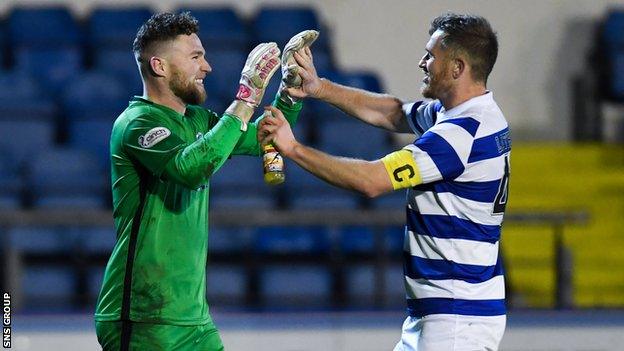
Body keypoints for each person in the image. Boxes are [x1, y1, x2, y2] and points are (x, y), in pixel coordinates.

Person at [259, 13, 510, 351]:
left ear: (457, 67)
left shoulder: (459, 135)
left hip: (455, 318)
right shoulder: (469, 114)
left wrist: (294, 148)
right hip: (449, 311)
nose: (422, 62)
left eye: (431, 56)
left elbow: (372, 181)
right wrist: (320, 88)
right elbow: (393, 113)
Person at [94, 12, 316, 350]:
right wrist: (246, 97)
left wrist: (288, 92)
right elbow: (190, 168)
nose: (207, 67)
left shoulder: (196, 118)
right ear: (160, 67)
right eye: (196, 57)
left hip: (192, 318)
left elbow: (262, 138)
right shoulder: (136, 125)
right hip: (143, 317)